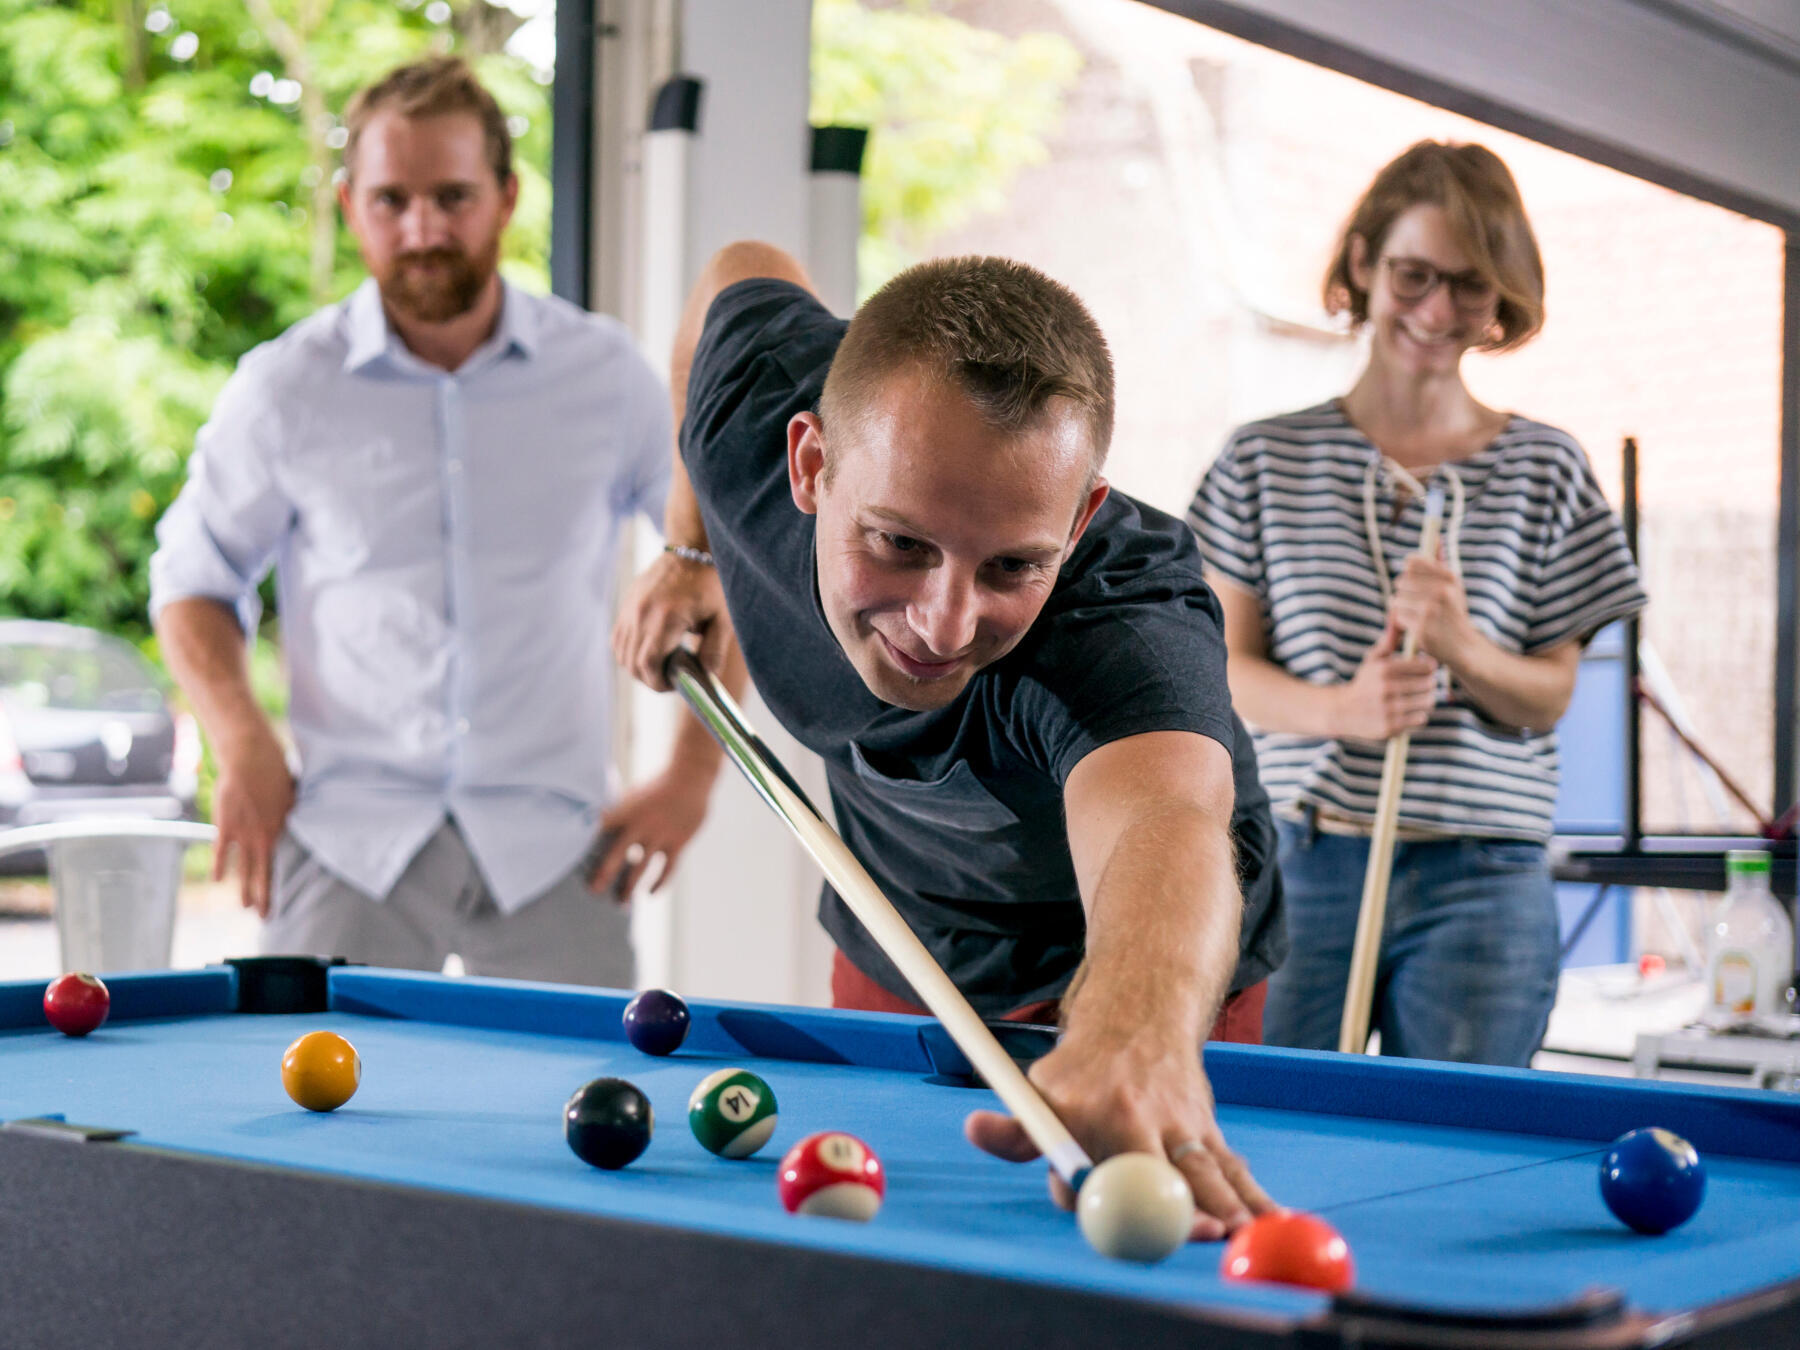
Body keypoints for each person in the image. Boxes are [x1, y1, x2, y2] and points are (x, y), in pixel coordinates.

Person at [612, 241, 1285, 1235]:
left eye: (1013, 566)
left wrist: (1133, 1030)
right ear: (808, 463)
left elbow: (1168, 825)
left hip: (1141, 976)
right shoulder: (750, 428)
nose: (945, 623)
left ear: (1082, 516)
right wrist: (687, 550)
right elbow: (734, 272)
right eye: (899, 543)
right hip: (901, 934)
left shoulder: (1122, 622)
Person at [149, 57, 723, 986]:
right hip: (346, 840)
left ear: (506, 197)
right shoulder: (284, 387)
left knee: (584, 1117)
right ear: (349, 207)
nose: (423, 229)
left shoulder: (607, 375)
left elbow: (715, 561)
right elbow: (192, 579)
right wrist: (243, 741)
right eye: (392, 200)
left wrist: (691, 779)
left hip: (556, 846)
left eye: (452, 196)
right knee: (296, 1123)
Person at [1187, 141, 1646, 1067]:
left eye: (1470, 285)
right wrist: (1343, 711)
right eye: (1413, 274)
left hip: (1484, 874)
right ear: (1363, 264)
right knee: (1277, 1137)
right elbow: (1219, 672)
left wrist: (1463, 647)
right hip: (1300, 856)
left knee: (1456, 1153)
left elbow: (1551, 695)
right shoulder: (1262, 458)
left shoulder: (1548, 468)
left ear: (1502, 295)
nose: (1438, 310)